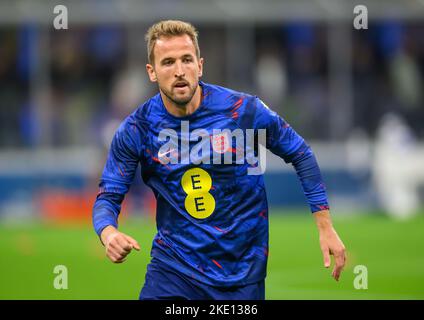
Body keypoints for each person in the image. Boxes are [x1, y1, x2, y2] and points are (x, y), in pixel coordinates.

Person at [92, 20, 346, 300]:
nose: (179, 71)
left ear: (200, 65)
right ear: (152, 72)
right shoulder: (137, 129)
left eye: (186, 60)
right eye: (168, 62)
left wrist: (325, 226)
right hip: (174, 270)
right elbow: (108, 195)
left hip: (241, 274)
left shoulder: (242, 111)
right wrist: (108, 233)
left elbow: (300, 153)